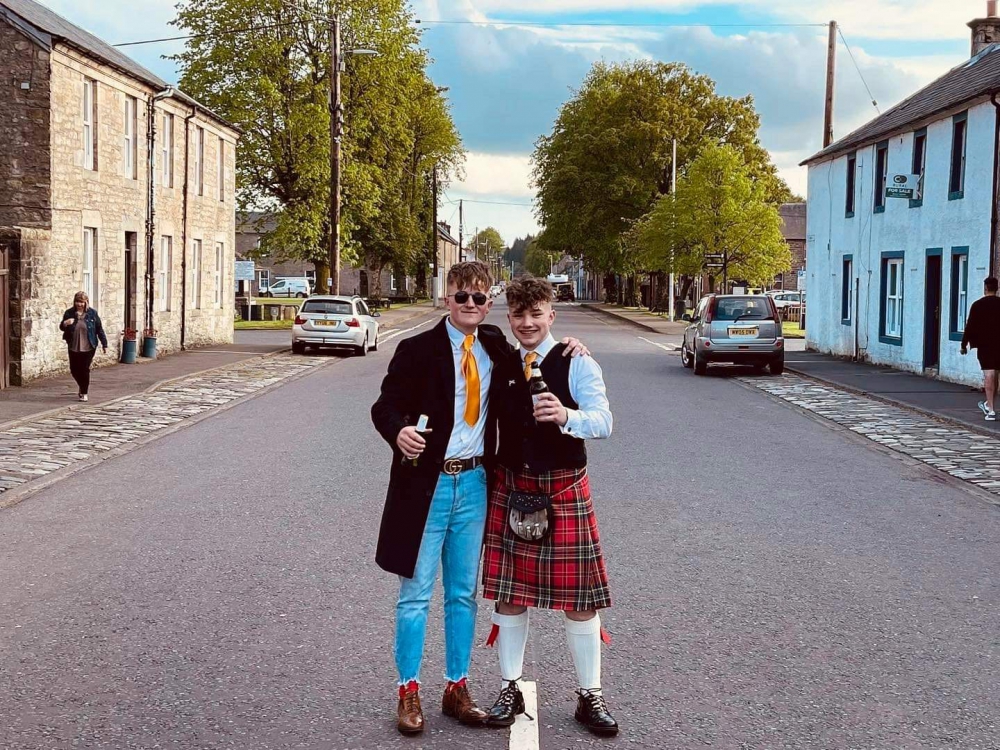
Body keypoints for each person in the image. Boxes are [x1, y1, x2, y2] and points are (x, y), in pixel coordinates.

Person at [370, 262, 586, 736]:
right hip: (425, 486)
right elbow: (384, 405)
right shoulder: (415, 350)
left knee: (463, 594)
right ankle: (408, 690)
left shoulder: (494, 346)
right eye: (461, 296)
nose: (470, 304)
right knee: (416, 594)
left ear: (489, 304)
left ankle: (456, 687)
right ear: (446, 298)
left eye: (479, 297)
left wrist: (570, 349)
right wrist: (398, 431)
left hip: (473, 485)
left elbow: (536, 355)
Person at [481, 276, 618, 737]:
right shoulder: (501, 360)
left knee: (579, 600)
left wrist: (566, 416)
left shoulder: (577, 361)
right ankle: (510, 688)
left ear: (551, 315)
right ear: (509, 317)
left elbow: (604, 422)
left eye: (536, 314)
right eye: (518, 315)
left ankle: (589, 695)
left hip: (562, 488)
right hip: (512, 484)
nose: (527, 323)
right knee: (508, 595)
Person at [961, 276, 1000, 422]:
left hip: (985, 344)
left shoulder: (977, 305)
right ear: (997, 288)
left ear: (985, 288)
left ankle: (991, 410)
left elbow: (970, 326)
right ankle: (989, 405)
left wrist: (964, 345)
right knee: (995, 375)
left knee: (989, 375)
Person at [60, 291, 107, 402]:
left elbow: (99, 329)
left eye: (81, 302)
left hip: (89, 346)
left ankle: (84, 392)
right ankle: (82, 386)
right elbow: (62, 327)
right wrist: (65, 323)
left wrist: (104, 344)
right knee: (74, 369)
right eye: (77, 301)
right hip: (74, 345)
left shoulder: (92, 313)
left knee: (84, 369)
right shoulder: (69, 313)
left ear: (86, 302)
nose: (79, 304)